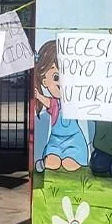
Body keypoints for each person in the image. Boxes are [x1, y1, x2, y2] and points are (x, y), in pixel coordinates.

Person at [33, 40, 88, 172]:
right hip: (55, 142)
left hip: (75, 141)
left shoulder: (73, 100)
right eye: (56, 77)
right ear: (45, 81)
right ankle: (46, 160)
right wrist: (38, 96)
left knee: (70, 163)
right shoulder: (55, 103)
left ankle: (71, 157)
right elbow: (47, 102)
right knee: (52, 162)